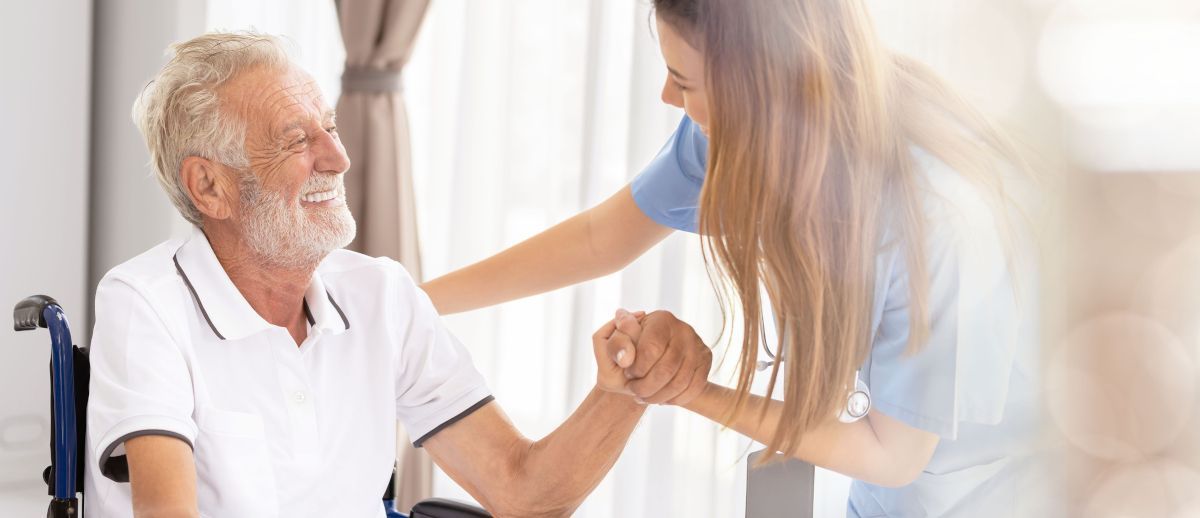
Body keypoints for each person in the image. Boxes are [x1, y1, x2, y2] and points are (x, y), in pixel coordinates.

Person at [422, 0, 1044, 516]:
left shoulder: (935, 219)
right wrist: (407, 300)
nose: (667, 96)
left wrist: (688, 388)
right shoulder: (735, 138)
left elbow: (893, 454)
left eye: (685, 81)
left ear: (765, 84)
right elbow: (597, 240)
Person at [83, 32, 696, 518]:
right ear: (210, 186)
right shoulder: (145, 302)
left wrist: (620, 393)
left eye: (330, 126)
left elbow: (523, 495)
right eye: (298, 140)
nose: (338, 157)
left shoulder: (381, 295)